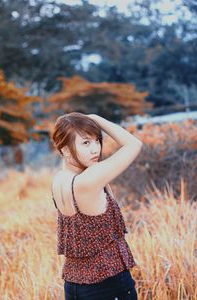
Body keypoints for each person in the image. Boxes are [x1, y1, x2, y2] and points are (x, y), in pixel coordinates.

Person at [51, 112, 142, 300]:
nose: (95, 150)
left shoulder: (59, 179)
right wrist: (97, 119)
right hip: (109, 284)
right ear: (65, 150)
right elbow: (134, 144)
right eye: (85, 143)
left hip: (75, 287)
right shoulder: (88, 179)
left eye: (97, 141)